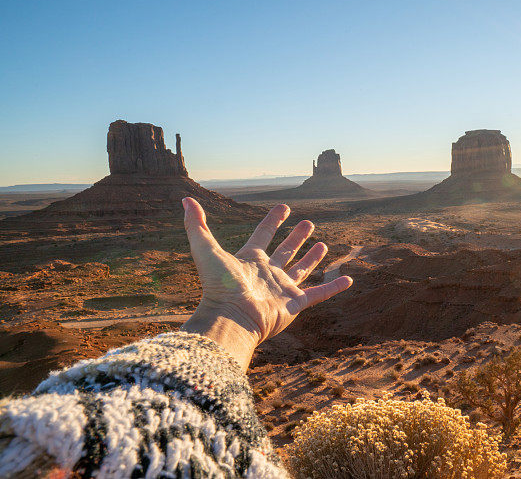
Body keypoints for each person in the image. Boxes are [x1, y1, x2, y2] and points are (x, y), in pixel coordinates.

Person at [0, 198, 353, 478]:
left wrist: (234, 314)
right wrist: (235, 315)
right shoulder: (42, 445)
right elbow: (139, 428)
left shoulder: (30, 442)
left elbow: (139, 419)